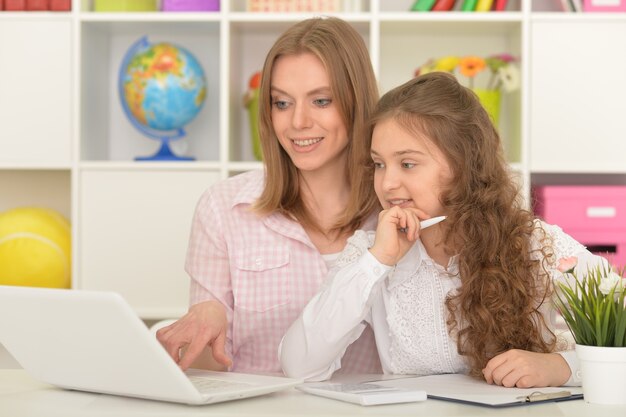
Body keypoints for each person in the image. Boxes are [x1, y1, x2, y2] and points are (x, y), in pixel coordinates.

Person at [279, 72, 609, 387]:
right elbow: (300, 365)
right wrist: (376, 262)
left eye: (407, 164)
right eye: (379, 164)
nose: (388, 183)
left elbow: (617, 323)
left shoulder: (534, 242)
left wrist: (563, 366)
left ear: (462, 165)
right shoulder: (372, 250)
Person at [156, 17, 383, 375]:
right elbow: (207, 373)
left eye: (321, 101)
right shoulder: (224, 208)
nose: (297, 122)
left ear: (358, 102)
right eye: (281, 103)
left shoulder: (395, 212)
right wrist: (202, 326)